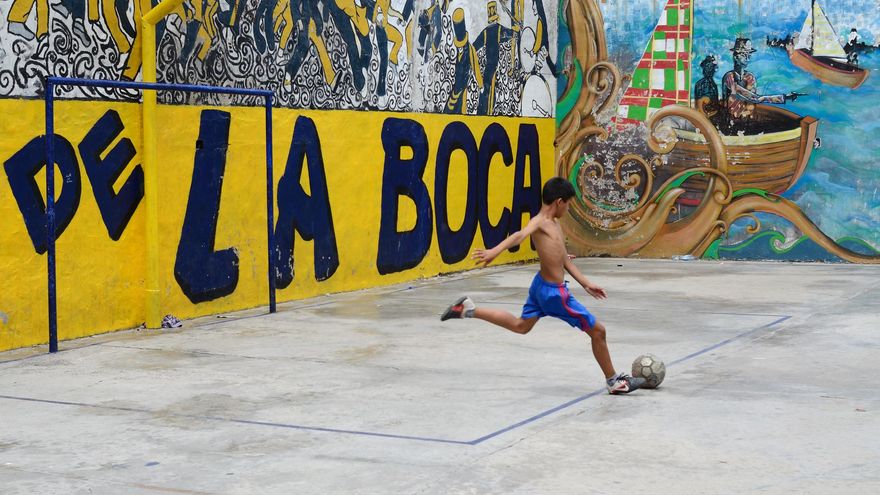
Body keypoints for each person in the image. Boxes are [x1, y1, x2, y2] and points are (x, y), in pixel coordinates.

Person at [440, 177, 645, 395]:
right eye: (568, 204)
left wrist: (586, 284)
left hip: (540, 286)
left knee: (521, 326)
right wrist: (494, 251)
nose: (567, 209)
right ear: (559, 201)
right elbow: (519, 236)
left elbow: (565, 259)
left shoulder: (555, 224)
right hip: (554, 295)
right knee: (598, 331)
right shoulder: (539, 222)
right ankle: (613, 381)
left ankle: (469, 310)